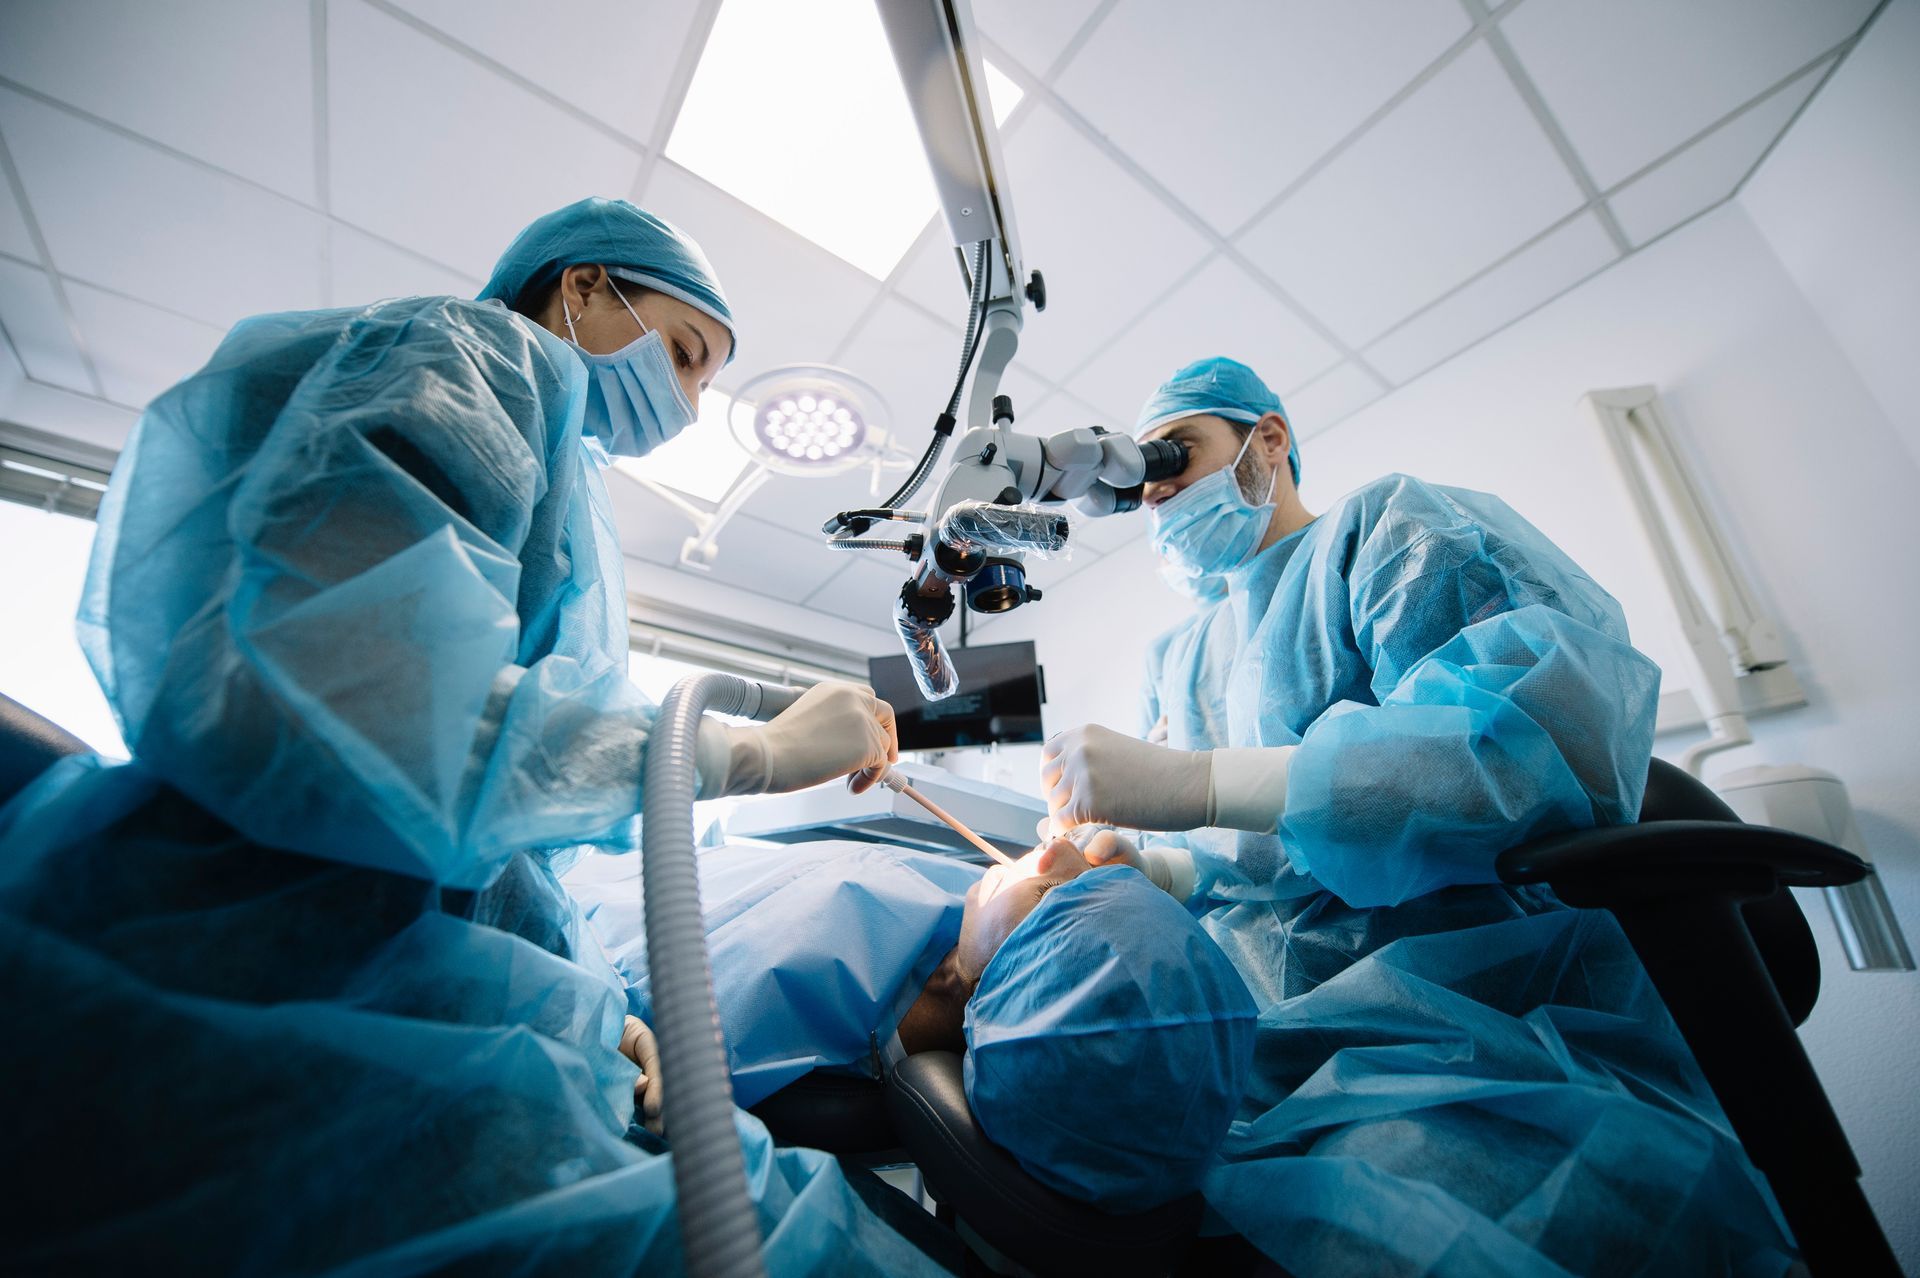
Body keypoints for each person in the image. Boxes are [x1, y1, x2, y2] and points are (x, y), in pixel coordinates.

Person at [0, 198, 940, 1276]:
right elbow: (359, 705)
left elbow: (502, 845)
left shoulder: (563, 484)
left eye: (706, 379)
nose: (687, 399)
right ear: (584, 283)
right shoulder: (471, 357)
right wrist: (752, 753)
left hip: (391, 975)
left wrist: (601, 1014)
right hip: (252, 979)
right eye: (685, 354)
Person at [1040, 357, 1799, 1275]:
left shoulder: (1390, 534)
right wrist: (1156, 865)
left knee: (1393, 1213)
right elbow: (1263, 864)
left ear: (1267, 440)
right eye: (1140, 483)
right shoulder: (1183, 657)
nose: (1155, 488)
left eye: (1175, 453)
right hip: (1267, 1033)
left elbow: (1521, 756)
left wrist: (1199, 780)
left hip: (1465, 1020)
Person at [567, 835, 1257, 1213]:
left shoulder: (784, 1025)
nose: (1052, 851)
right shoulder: (953, 920)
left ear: (1010, 995)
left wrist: (610, 1024)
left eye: (1054, 894)